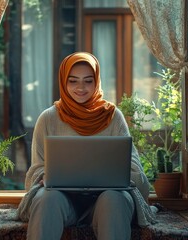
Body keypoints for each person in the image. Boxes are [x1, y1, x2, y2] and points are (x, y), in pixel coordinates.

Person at [16, 52, 156, 240]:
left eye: (88, 81)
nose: (80, 88)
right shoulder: (48, 118)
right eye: (73, 81)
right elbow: (35, 171)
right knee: (47, 199)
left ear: (96, 81)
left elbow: (135, 171)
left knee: (114, 199)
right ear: (64, 82)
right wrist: (44, 176)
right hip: (63, 202)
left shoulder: (113, 117)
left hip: (106, 202)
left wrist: (117, 175)